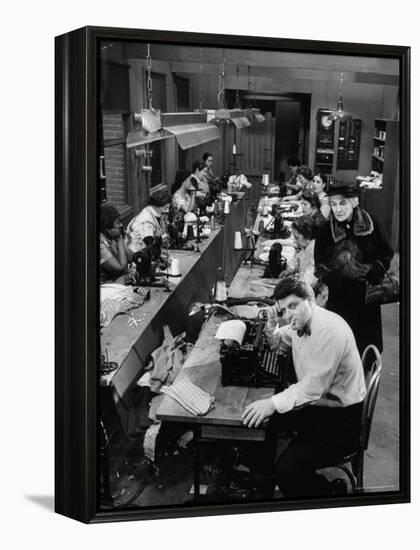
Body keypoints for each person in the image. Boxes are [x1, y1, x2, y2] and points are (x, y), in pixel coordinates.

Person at [242, 276, 366, 498]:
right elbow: (279, 343)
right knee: (260, 421)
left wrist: (271, 402)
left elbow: (312, 388)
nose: (288, 315)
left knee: (288, 472)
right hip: (321, 406)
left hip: (342, 419)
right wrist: (272, 325)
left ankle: (327, 492)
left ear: (311, 301)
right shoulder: (299, 321)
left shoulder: (329, 331)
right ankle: (265, 479)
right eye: (284, 309)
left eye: (293, 306)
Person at [314, 183, 393, 354]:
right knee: (340, 348)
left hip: (368, 298)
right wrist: (340, 273)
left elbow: (386, 255)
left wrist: (371, 269)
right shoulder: (325, 231)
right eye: (333, 205)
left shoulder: (372, 224)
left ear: (355, 201)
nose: (338, 210)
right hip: (340, 299)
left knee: (366, 348)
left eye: (343, 203)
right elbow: (319, 267)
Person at [125, 189, 172, 254]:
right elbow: (149, 246)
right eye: (165, 208)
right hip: (137, 254)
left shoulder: (153, 213)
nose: (167, 211)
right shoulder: (145, 222)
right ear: (156, 205)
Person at [99, 204, 133, 284]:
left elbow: (131, 257)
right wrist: (119, 240)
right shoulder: (100, 243)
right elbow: (121, 268)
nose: (121, 225)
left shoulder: (111, 237)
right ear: (107, 225)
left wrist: (119, 239)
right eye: (117, 222)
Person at [279, 216, 317, 287]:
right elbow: (298, 260)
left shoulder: (315, 251)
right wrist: (290, 270)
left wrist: (292, 280)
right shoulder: (306, 246)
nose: (295, 241)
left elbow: (308, 282)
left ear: (307, 235)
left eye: (297, 238)